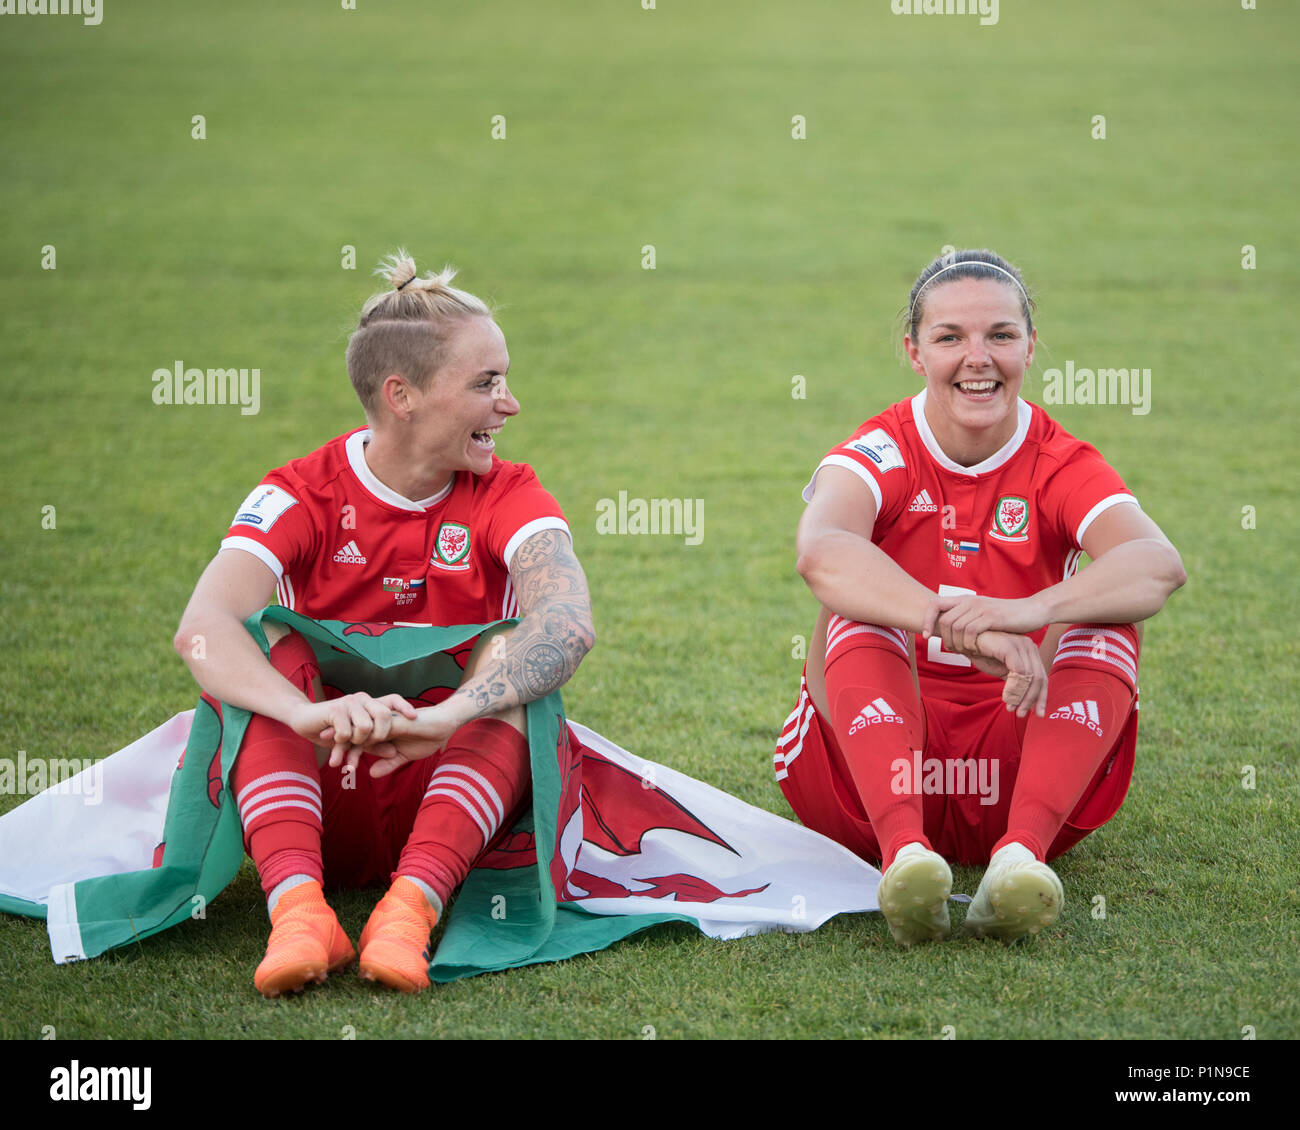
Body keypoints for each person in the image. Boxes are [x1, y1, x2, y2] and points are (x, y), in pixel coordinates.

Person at [174, 251, 595, 995]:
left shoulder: (511, 493)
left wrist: (453, 713)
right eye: (486, 382)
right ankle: (301, 914)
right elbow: (202, 627)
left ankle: (409, 913)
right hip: (321, 786)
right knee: (268, 644)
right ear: (402, 395)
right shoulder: (300, 491)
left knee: (514, 657)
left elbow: (566, 621)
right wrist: (306, 712)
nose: (511, 404)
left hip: (454, 788)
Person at [774, 249, 1185, 945]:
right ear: (913, 351)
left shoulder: (1060, 461)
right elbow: (821, 553)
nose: (978, 358)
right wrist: (960, 625)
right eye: (949, 337)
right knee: (853, 607)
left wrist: (1032, 610)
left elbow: (1158, 565)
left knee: (1107, 617)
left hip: (1022, 757)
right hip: (870, 776)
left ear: (1030, 346)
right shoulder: (882, 450)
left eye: (1000, 335)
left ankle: (1016, 861)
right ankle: (905, 856)